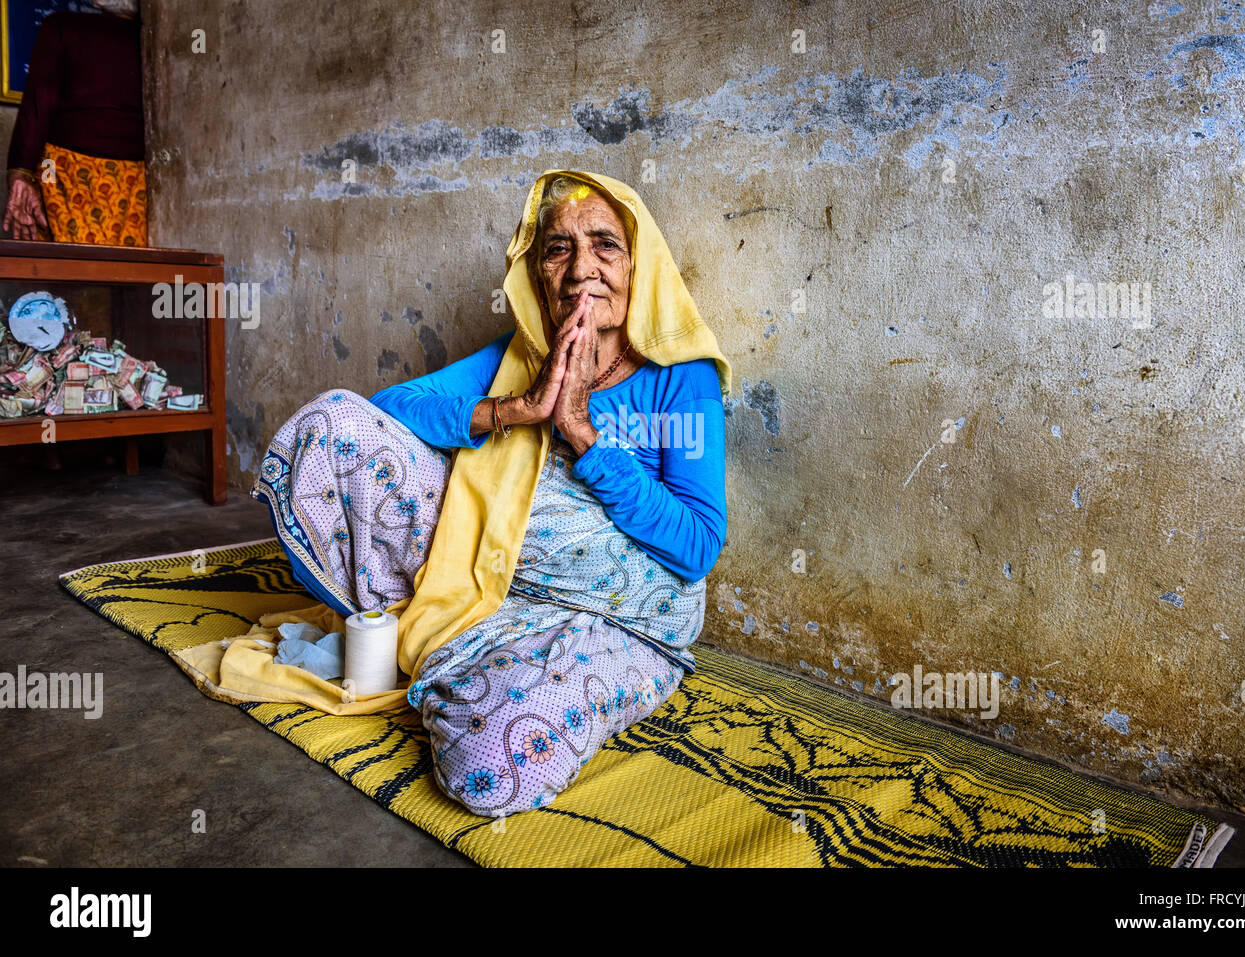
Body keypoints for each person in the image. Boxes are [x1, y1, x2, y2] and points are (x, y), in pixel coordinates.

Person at [250, 170, 731, 817]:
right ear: (537, 276)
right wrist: (518, 408)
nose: (581, 267)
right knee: (333, 424)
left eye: (605, 245)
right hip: (488, 579)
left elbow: (697, 546)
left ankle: (441, 652)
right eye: (558, 248)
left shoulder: (681, 378)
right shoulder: (521, 355)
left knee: (490, 766)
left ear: (640, 267)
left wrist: (582, 432)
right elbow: (387, 409)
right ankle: (433, 637)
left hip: (611, 619)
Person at [2, 0, 146, 245]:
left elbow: (39, 104)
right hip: (136, 178)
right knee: (125, 271)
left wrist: (20, 173)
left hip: (63, 171)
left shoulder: (61, 26)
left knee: (68, 270)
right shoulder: (158, 42)